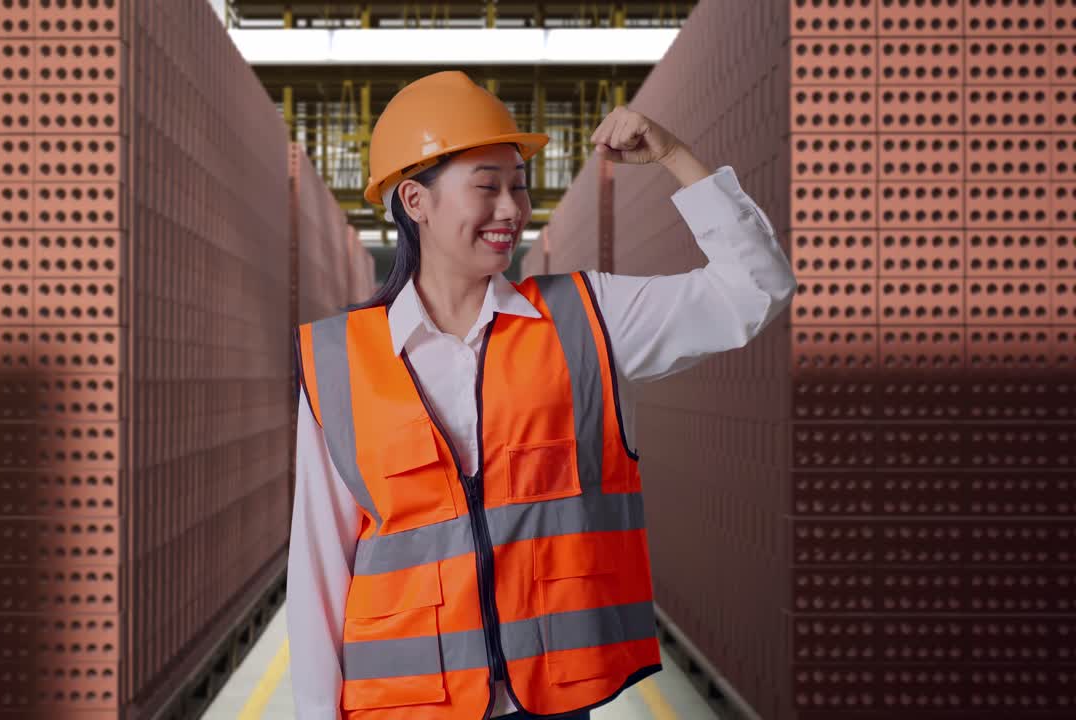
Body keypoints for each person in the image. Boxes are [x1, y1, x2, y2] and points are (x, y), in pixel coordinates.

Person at [287, 70, 798, 720]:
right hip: (401, 707)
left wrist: (674, 156)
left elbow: (755, 290)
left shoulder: (586, 320)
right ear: (415, 200)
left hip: (548, 705)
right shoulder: (338, 358)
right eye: (488, 187)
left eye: (519, 187)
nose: (512, 210)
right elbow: (319, 565)